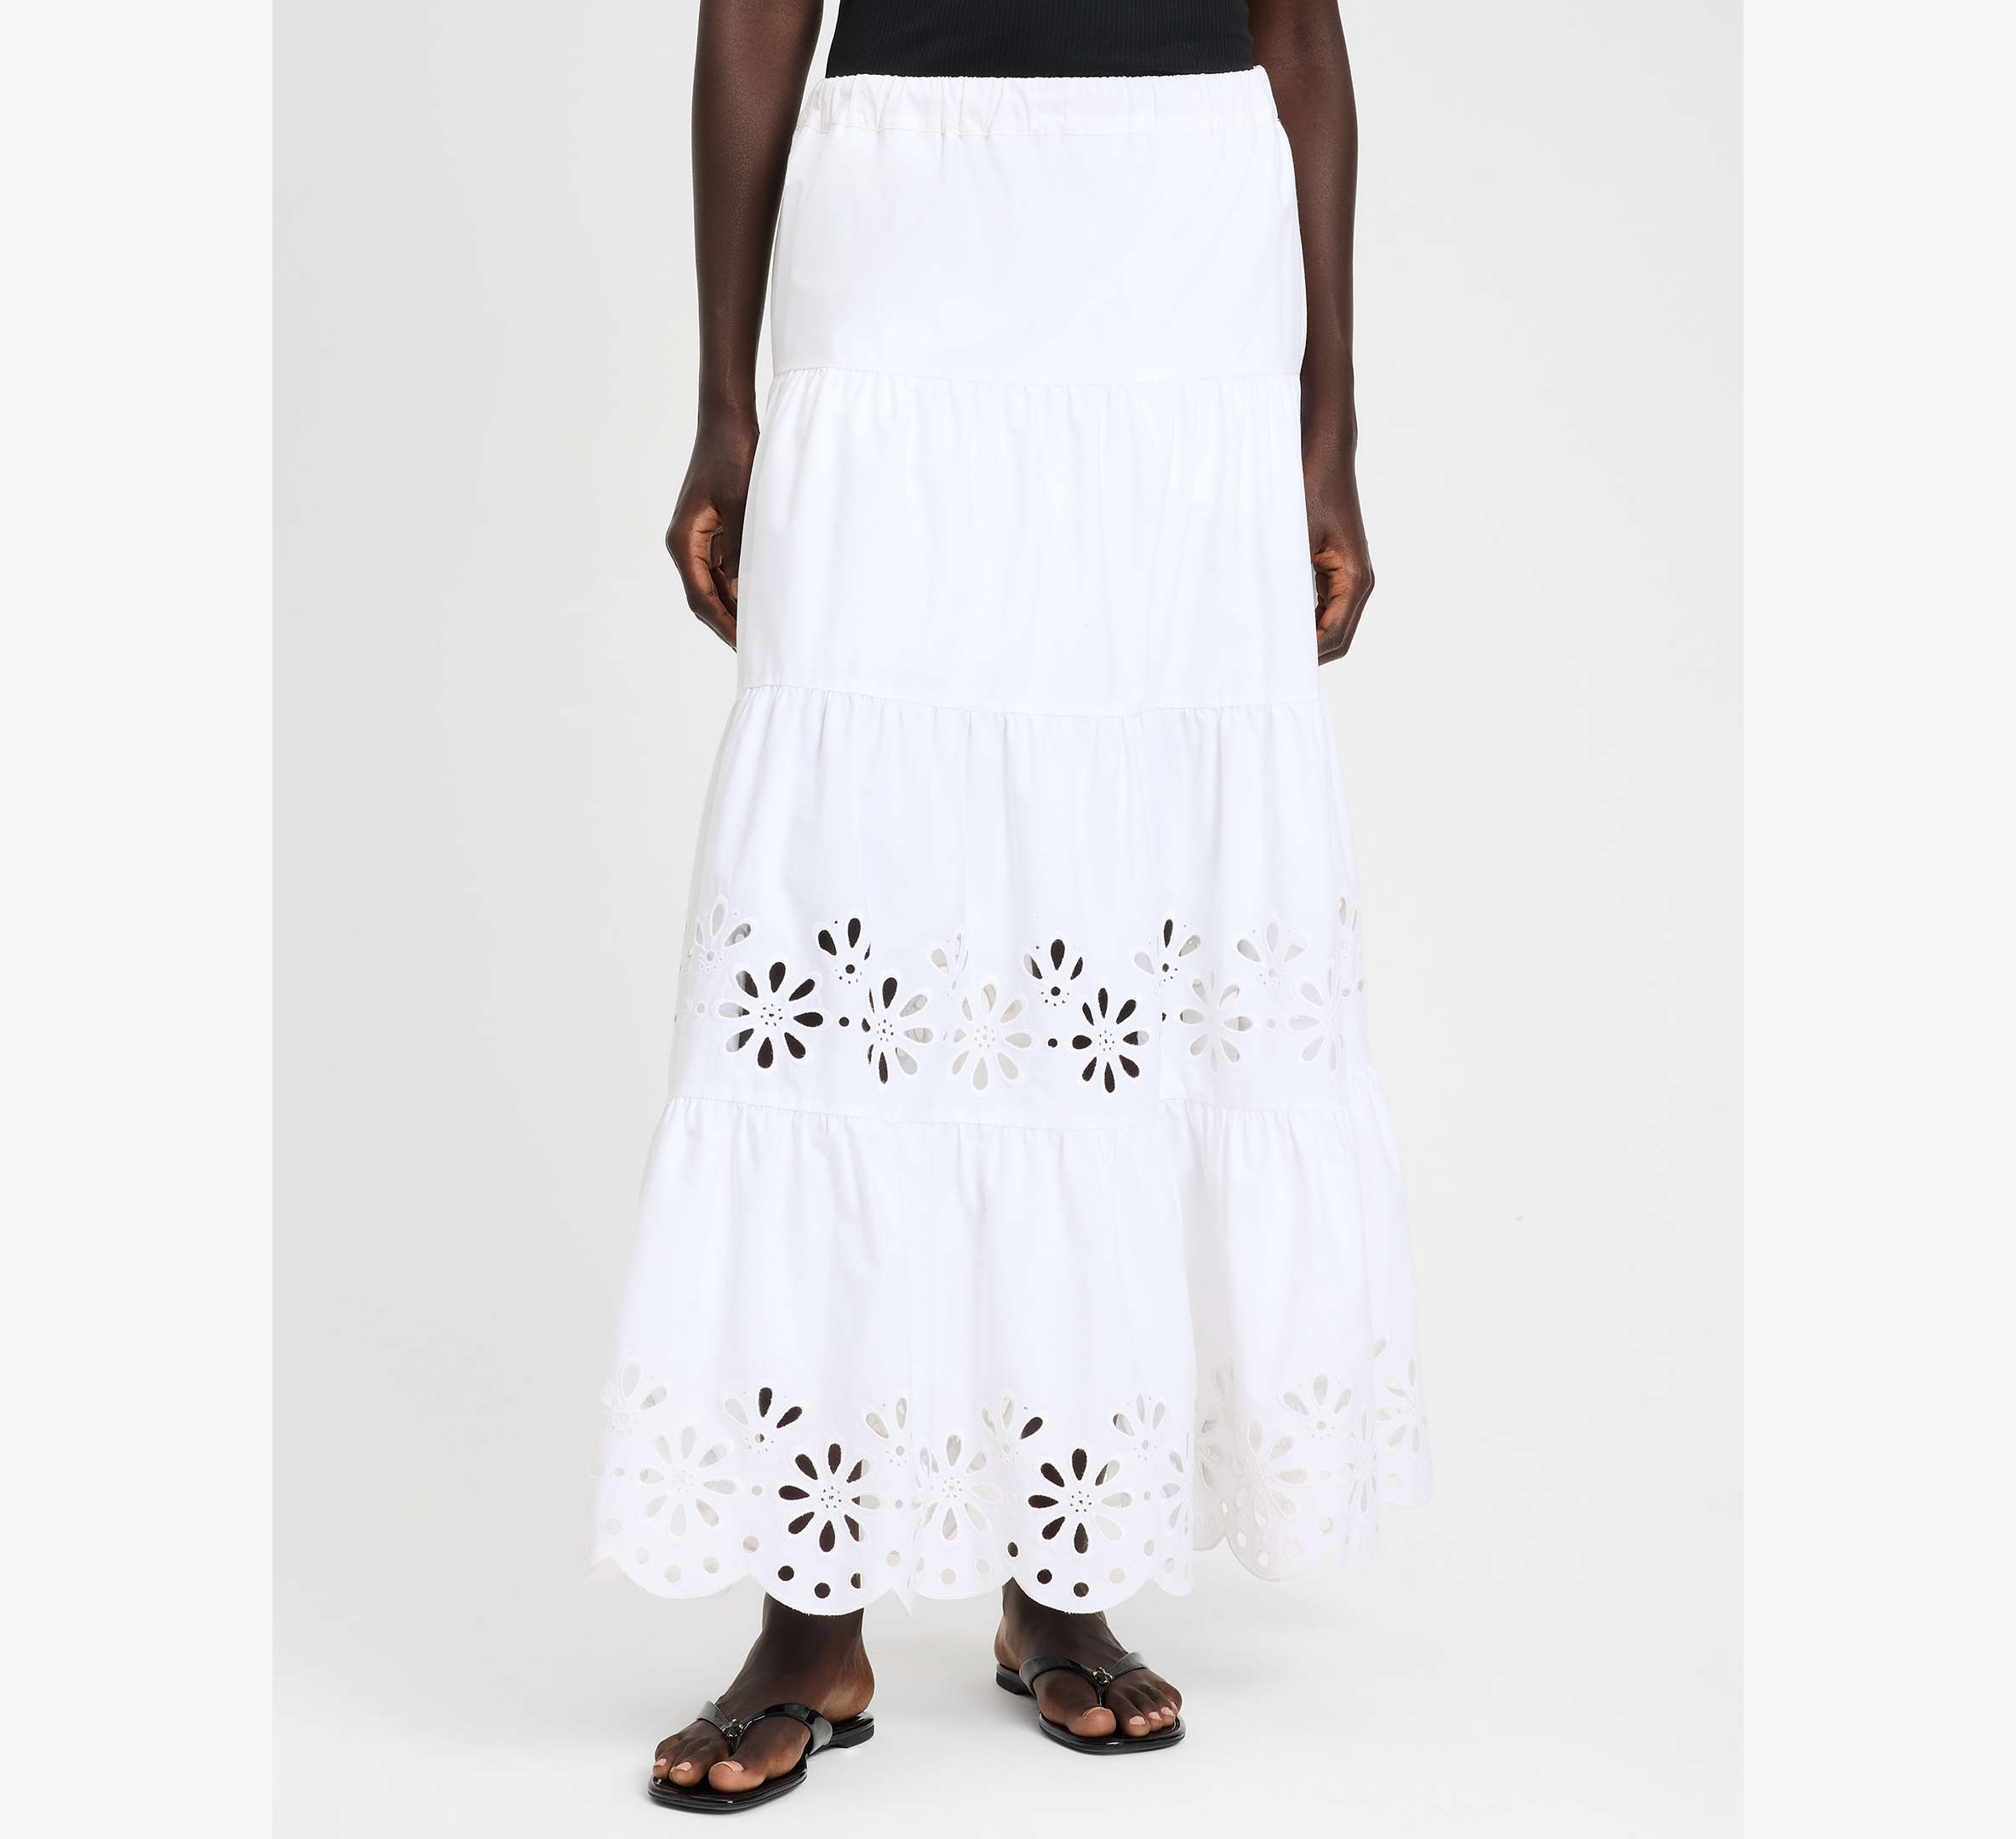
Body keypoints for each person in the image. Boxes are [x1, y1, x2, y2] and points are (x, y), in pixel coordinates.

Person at [587, 0, 1433, 1809]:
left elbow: (1295, 23)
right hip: (905, 221)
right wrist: (726, 401)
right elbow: (757, 8)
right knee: (857, 882)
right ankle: (810, 1612)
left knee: (1116, 904)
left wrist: (1329, 420)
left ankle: (1065, 1564)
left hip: (1181, 258)